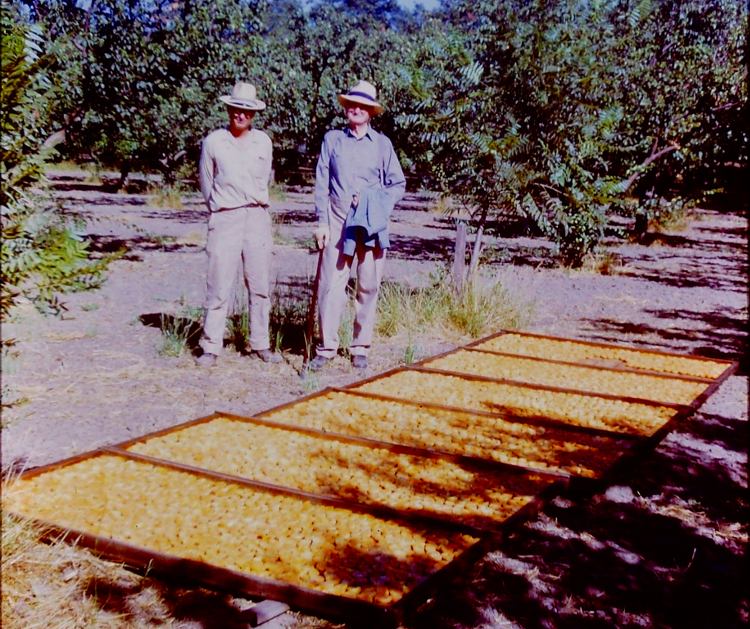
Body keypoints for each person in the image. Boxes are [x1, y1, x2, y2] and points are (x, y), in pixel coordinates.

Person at [309, 80, 406, 371]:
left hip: (370, 222)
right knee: (332, 283)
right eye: (352, 104)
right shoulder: (332, 140)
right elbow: (321, 182)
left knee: (368, 283)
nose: (356, 109)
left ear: (371, 112)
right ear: (346, 107)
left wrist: (378, 206)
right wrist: (322, 222)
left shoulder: (382, 144)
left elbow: (397, 183)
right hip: (338, 219)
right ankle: (326, 348)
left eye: (362, 106)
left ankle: (360, 347)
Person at [195, 82, 281, 367]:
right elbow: (207, 182)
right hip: (225, 216)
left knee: (259, 285)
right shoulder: (214, 142)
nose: (240, 114)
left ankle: (260, 344)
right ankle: (211, 346)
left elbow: (264, 178)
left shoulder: (264, 142)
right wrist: (220, 210)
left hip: (256, 217)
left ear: (253, 113)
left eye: (246, 110)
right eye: (236, 108)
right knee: (219, 285)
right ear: (228, 109)